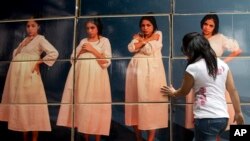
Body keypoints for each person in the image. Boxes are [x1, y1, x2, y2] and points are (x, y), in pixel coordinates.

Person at [161, 32, 244, 141]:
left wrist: (173, 92)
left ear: (190, 50)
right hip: (223, 118)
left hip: (206, 119)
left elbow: (184, 91)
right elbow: (232, 90)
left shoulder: (193, 68)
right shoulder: (222, 65)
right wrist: (238, 113)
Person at [0, 18, 59, 141]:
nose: (30, 28)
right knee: (22, 105)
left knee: (32, 105)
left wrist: (39, 62)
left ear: (38, 27)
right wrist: (23, 45)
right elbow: (16, 55)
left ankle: (34, 138)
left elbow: (54, 52)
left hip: (29, 75)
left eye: (33, 25)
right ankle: (25, 136)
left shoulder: (40, 39)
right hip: (17, 78)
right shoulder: (24, 40)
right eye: (28, 26)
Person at [185, 14, 242, 134]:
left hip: (214, 78)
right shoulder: (197, 39)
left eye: (211, 25)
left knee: (215, 114)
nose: (207, 27)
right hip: (198, 77)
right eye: (205, 24)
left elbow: (237, 50)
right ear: (202, 24)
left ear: (214, 27)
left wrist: (222, 63)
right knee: (200, 118)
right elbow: (188, 56)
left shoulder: (219, 38)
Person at [57, 18, 112, 141]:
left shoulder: (104, 41)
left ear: (98, 28)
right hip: (80, 76)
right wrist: (82, 50)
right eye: (87, 28)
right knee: (82, 105)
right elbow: (73, 58)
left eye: (92, 28)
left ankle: (97, 138)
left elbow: (106, 61)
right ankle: (85, 137)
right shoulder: (83, 41)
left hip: (96, 78)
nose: (89, 30)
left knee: (96, 106)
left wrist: (93, 50)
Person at [125, 15, 168, 141]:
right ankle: (138, 138)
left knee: (151, 105)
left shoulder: (158, 34)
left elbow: (149, 50)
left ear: (154, 26)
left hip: (152, 73)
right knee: (135, 103)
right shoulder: (140, 35)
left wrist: (140, 42)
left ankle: (150, 139)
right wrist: (143, 41)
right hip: (135, 73)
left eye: (148, 25)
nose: (145, 28)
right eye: (143, 25)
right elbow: (131, 48)